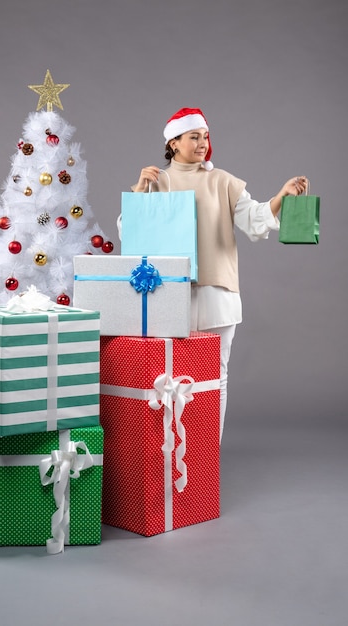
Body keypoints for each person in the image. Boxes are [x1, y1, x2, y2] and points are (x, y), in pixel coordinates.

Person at [118, 107, 308, 440]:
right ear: (173, 142)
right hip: (167, 293)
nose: (203, 142)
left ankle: (208, 459)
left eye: (205, 136)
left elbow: (255, 219)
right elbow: (129, 236)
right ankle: (168, 454)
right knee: (166, 376)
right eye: (194, 136)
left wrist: (281, 195)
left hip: (217, 294)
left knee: (214, 378)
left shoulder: (224, 182)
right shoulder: (155, 182)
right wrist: (138, 193)